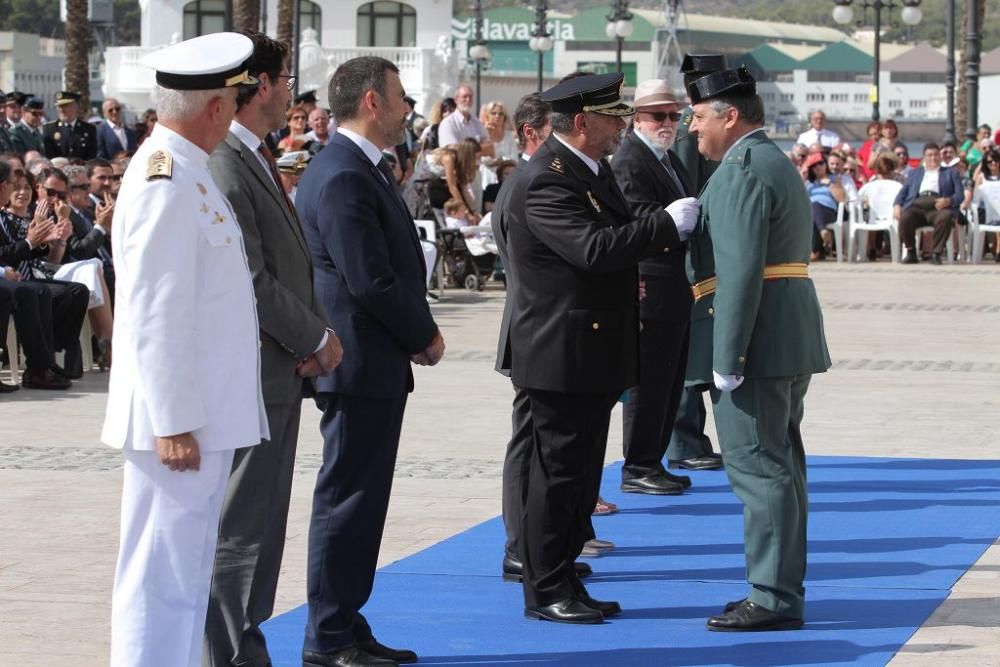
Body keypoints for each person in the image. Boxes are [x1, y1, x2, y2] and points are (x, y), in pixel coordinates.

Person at [504, 72, 698, 624]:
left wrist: (658, 225)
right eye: (613, 117)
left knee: (582, 473)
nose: (621, 126)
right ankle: (545, 589)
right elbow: (591, 249)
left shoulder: (589, 170)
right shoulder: (546, 178)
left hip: (591, 350)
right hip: (560, 350)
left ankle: (563, 573)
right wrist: (663, 224)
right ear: (583, 122)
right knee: (557, 475)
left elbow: (613, 232)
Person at [102, 32, 270, 667]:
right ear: (216, 109)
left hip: (202, 413)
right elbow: (154, 314)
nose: (232, 110)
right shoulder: (164, 181)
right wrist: (173, 421)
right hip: (177, 422)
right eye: (230, 98)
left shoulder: (189, 175)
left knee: (186, 571)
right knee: (159, 576)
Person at [296, 56, 444, 667]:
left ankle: (346, 618)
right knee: (347, 498)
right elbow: (369, 279)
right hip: (356, 361)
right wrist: (423, 333)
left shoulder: (360, 167)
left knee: (364, 500)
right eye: (401, 97)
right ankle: (326, 636)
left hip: (370, 362)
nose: (408, 108)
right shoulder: (342, 173)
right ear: (373, 103)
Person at [202, 32, 342, 667]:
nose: (290, 93)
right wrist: (314, 335)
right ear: (258, 85)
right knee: (240, 530)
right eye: (284, 81)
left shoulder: (252, 155)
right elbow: (249, 279)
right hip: (251, 376)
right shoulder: (225, 164)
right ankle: (226, 653)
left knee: (260, 526)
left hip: (276, 371)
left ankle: (244, 644)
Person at [687, 66, 830, 632]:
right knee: (782, 465)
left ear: (730, 115)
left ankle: (772, 595)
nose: (693, 128)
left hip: (758, 341)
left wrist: (727, 358)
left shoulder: (743, 169)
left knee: (759, 468)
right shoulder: (768, 160)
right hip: (786, 334)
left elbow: (741, 272)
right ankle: (780, 588)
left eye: (699, 117)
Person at [606, 78, 697, 497]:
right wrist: (676, 221)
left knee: (669, 380)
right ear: (636, 119)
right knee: (648, 383)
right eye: (658, 115)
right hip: (649, 282)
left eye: (674, 115)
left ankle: (652, 460)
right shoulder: (630, 159)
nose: (668, 122)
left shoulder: (666, 158)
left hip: (674, 285)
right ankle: (638, 464)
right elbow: (636, 218)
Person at [666, 53, 727, 472]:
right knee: (691, 351)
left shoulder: (703, 122)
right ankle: (684, 441)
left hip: (707, 252)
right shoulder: (693, 130)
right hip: (696, 254)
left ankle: (692, 438)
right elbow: (690, 193)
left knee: (701, 348)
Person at [0, 163, 79, 389]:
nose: (21, 192)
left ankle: (44, 365)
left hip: (13, 274)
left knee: (43, 290)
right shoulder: (6, 216)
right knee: (28, 291)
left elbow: (17, 251)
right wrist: (29, 242)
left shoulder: (3, 219)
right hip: (10, 277)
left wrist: (43, 241)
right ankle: (38, 367)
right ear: (4, 186)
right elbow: (9, 253)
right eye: (15, 187)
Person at [895, 142, 964, 265]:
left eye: (936, 155)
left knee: (945, 217)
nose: (933, 158)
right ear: (924, 157)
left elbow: (960, 195)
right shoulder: (915, 173)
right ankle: (911, 252)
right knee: (905, 217)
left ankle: (936, 253)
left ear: (940, 156)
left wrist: (948, 201)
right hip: (917, 205)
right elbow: (903, 192)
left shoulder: (951, 173)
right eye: (929, 155)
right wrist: (896, 205)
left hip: (938, 206)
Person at [801, 153, 845, 260]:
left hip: (829, 211)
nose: (818, 167)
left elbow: (842, 198)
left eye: (820, 163)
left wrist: (829, 183)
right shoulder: (809, 183)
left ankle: (816, 249)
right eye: (814, 165)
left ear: (825, 165)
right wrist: (803, 178)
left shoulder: (834, 179)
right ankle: (822, 237)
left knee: (814, 205)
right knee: (812, 209)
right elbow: (797, 198)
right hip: (811, 212)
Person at [42, 91, 97, 160]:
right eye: (59, 106)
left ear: (76, 107)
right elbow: (48, 156)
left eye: (65, 106)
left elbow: (91, 156)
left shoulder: (89, 129)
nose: (61, 110)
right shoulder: (49, 129)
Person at [437, 85, 489, 152]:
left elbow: (488, 145)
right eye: (465, 97)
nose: (468, 99)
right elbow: (452, 150)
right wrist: (479, 147)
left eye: (470, 97)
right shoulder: (448, 123)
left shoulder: (477, 123)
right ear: (456, 100)